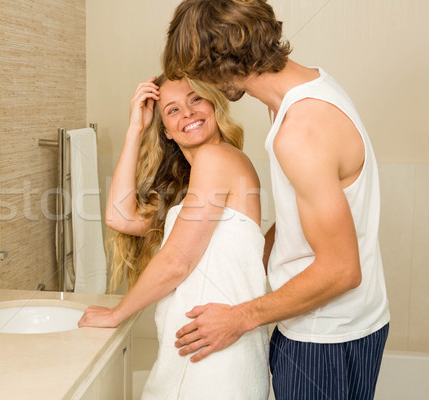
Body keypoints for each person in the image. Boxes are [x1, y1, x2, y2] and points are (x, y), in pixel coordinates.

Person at [163, 1, 391, 399]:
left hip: (324, 338)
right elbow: (305, 224)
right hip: (355, 323)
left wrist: (239, 317)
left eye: (201, 74)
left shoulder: (299, 131)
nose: (205, 88)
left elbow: (341, 271)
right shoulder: (308, 90)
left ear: (223, 62)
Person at [78, 74, 270, 399]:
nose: (188, 113)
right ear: (166, 131)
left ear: (213, 103)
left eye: (195, 99)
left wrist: (117, 313)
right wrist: (135, 129)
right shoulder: (198, 182)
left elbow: (177, 262)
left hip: (210, 364)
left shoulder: (216, 158)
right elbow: (120, 216)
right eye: (173, 109)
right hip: (209, 358)